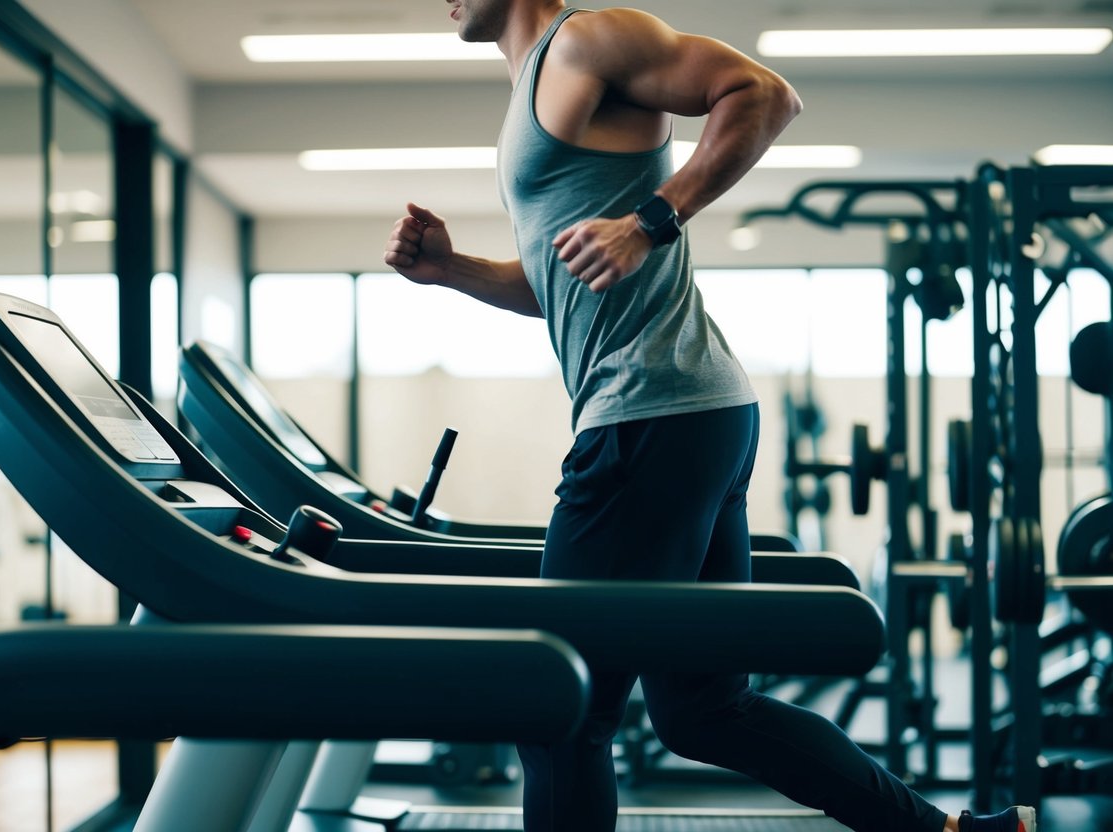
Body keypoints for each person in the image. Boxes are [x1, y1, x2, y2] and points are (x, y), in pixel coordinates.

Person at [384, 2, 1036, 831]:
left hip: (650, 419)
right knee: (702, 713)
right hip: (691, 417)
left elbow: (763, 93)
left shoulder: (586, 39)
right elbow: (563, 282)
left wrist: (654, 220)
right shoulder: (535, 87)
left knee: (556, 708)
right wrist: (454, 269)